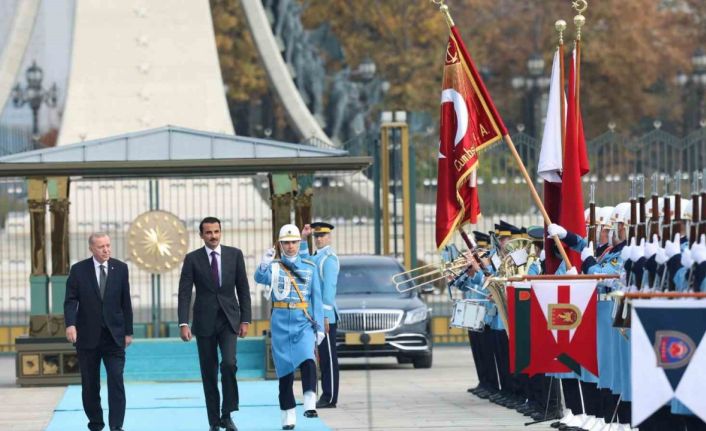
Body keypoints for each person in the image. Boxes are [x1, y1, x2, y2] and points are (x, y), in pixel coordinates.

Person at [177, 217, 252, 431]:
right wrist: (183, 322)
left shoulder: (234, 255)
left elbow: (243, 289)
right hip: (204, 321)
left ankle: (227, 415)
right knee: (208, 372)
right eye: (208, 232)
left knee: (229, 364)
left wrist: (245, 319)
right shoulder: (192, 259)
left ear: (221, 232)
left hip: (229, 320)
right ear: (201, 235)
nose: (213, 236)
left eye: (216, 231)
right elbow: (184, 293)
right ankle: (213, 421)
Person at [255, 224, 324, 430]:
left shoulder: (310, 268)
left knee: (308, 360)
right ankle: (288, 415)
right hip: (280, 322)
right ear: (280, 244)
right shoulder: (275, 267)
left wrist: (319, 326)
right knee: (284, 372)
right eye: (286, 242)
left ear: (299, 242)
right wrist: (264, 263)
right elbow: (259, 278)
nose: (291, 246)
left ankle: (310, 402)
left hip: (302, 321)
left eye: (294, 242)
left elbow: (317, 300)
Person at [64, 232, 133, 431]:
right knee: (90, 385)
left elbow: (125, 302)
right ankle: (95, 424)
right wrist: (70, 324)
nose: (106, 250)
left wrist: (128, 331)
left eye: (108, 245)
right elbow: (70, 300)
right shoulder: (78, 270)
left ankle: (116, 427)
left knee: (116, 381)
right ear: (91, 249)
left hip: (114, 337)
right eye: (101, 246)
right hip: (87, 337)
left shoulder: (120, 268)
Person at [300, 222, 340, 409]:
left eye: (322, 235)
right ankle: (324, 394)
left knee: (328, 358)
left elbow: (329, 291)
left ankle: (330, 396)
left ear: (329, 236)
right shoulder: (317, 257)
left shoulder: (329, 259)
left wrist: (324, 316)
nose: (318, 239)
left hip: (326, 317)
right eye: (316, 236)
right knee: (321, 357)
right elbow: (303, 261)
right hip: (315, 316)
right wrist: (302, 239)